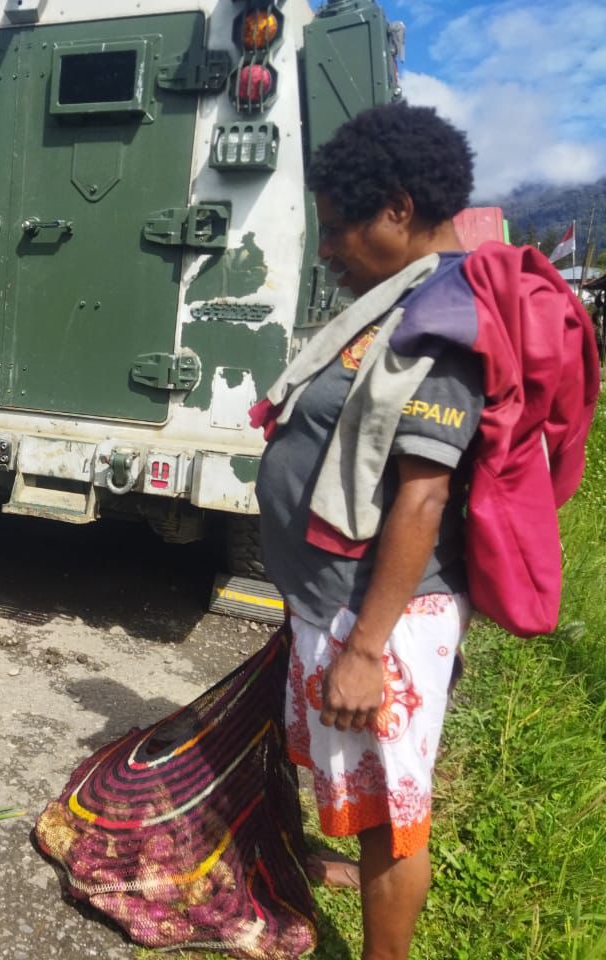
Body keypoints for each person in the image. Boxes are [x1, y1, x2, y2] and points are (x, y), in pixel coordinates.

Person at [252, 103, 597, 960]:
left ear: (399, 210)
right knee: (365, 793)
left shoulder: (441, 324)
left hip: (384, 617)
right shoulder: (397, 300)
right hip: (341, 597)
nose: (326, 249)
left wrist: (366, 649)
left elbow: (422, 499)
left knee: (394, 820)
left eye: (338, 230)